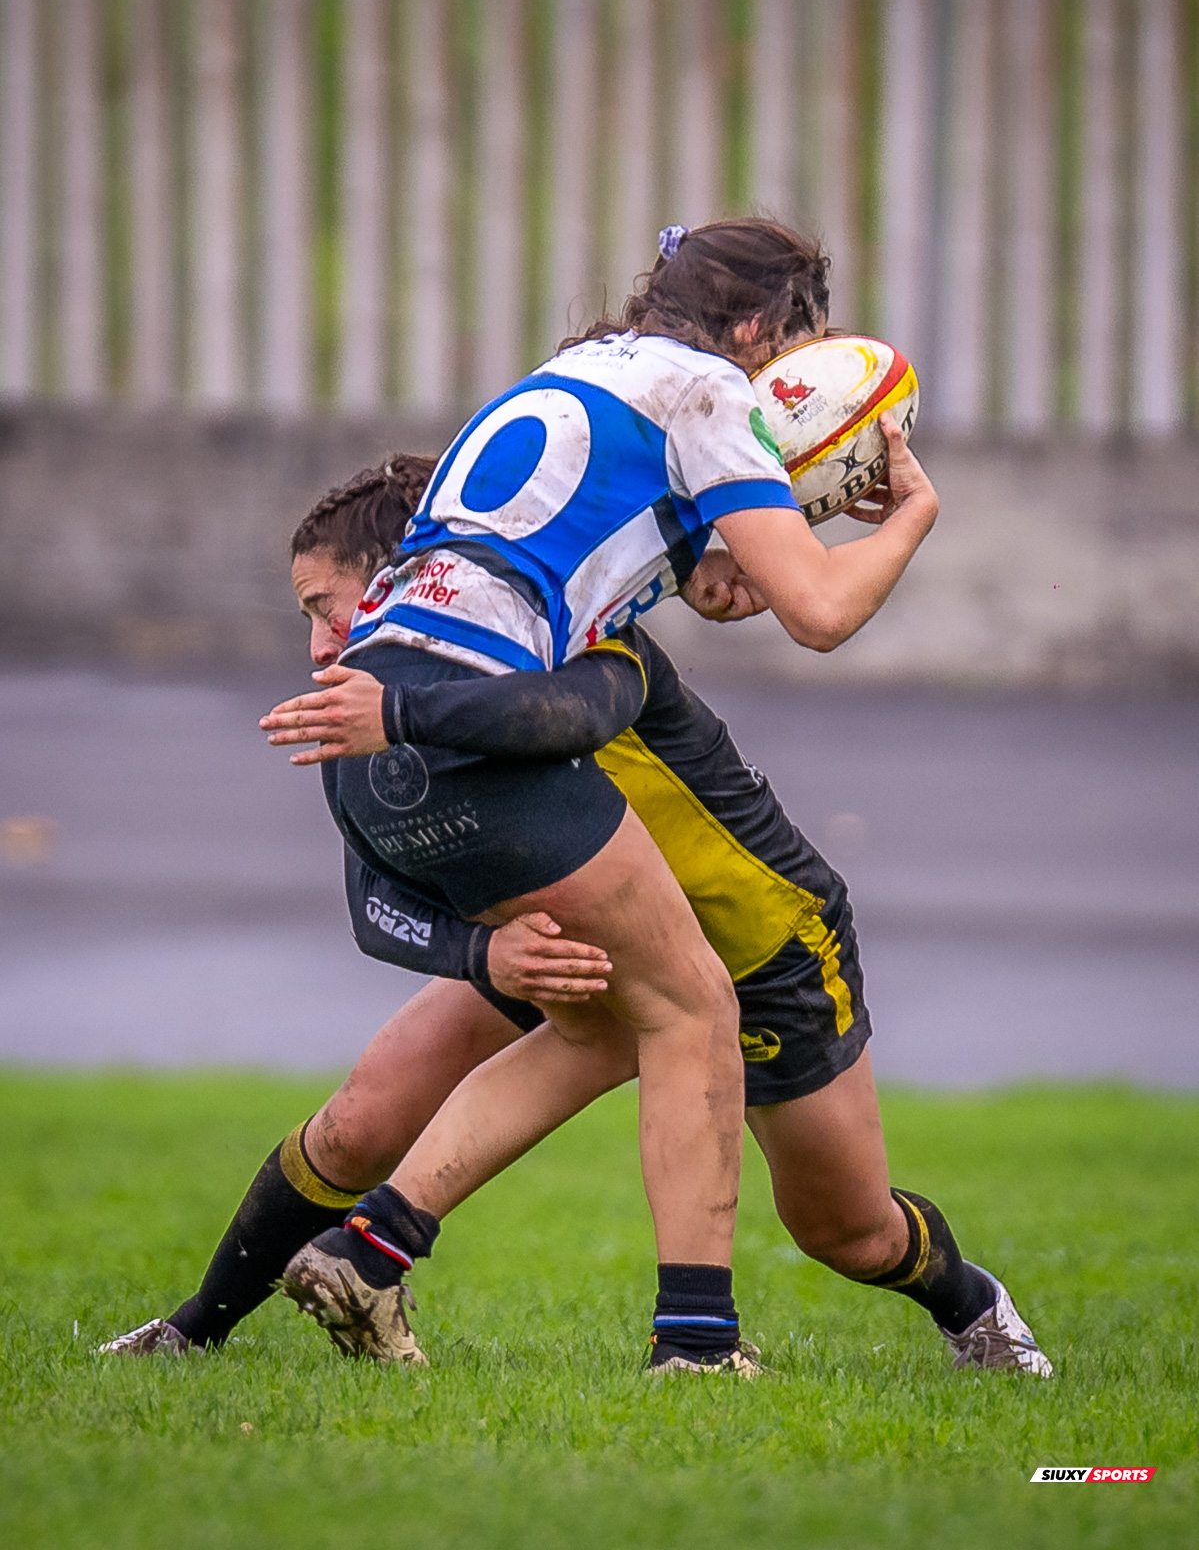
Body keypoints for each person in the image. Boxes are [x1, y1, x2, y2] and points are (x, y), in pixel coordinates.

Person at [100, 447, 1050, 1377]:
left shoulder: (571, 645)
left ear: (408, 577)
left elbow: (585, 691)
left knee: (845, 1230)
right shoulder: (376, 698)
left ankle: (971, 1305)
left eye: (326, 606)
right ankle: (194, 1334)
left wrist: (708, 561)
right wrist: (483, 955)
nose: (317, 645)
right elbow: (372, 901)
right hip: (576, 940)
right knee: (365, 1114)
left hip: (764, 945)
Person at [270, 220, 941, 1374]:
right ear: (754, 327)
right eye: (798, 344)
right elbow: (820, 613)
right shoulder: (707, 395)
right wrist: (914, 516)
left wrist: (709, 567)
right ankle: (695, 1344)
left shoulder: (577, 369)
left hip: (369, 731)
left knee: (601, 1020)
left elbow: (634, 570)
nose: (790, 381)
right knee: (691, 1008)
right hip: (472, 728)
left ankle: (368, 1252)